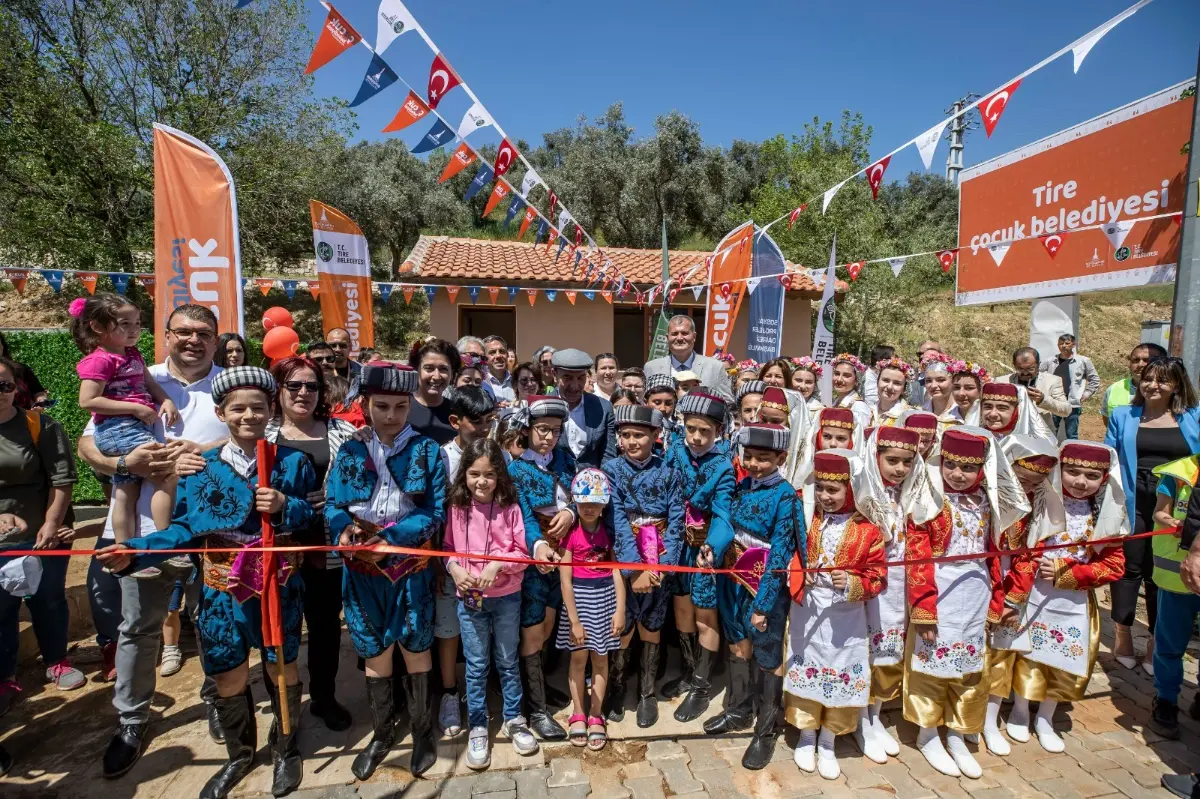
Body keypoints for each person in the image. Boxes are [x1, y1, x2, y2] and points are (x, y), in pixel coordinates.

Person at [97, 367, 317, 798]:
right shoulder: (200, 467)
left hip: (277, 588)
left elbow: (314, 518)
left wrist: (287, 505)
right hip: (219, 590)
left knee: (281, 665)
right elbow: (183, 529)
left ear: (272, 410)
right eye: (238, 408)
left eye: (258, 406)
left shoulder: (293, 462)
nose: (249, 415)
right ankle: (240, 754)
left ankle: (285, 748)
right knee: (228, 675)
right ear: (222, 412)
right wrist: (136, 548)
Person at [79, 303, 229, 779]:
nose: (193, 340)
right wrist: (127, 465)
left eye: (203, 333)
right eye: (183, 331)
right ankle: (132, 721)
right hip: (142, 534)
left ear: (216, 338)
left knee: (214, 621)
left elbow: (257, 434)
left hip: (213, 530)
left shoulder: (230, 382)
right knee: (138, 630)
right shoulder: (129, 371)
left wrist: (200, 451)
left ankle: (218, 700)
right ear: (164, 335)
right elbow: (87, 443)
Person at [325, 364, 447, 780]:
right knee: (374, 653)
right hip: (360, 570)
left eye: (399, 406)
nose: (391, 415)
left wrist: (390, 542)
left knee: (416, 648)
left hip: (408, 567)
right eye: (381, 406)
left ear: (410, 405)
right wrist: (343, 531)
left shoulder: (428, 451)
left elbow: (434, 512)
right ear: (365, 405)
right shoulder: (350, 450)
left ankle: (422, 731)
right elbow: (333, 505)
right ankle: (381, 733)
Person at [904, 427, 1028, 779]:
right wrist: (924, 607)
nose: (958, 474)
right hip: (938, 590)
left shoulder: (989, 503)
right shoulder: (929, 500)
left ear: (982, 470)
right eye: (951, 465)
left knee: (970, 666)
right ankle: (928, 733)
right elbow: (917, 555)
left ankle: (958, 731)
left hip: (975, 594)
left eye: (968, 468)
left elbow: (996, 557)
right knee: (930, 664)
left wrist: (1000, 597)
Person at [1007, 442, 1126, 754]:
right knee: (1028, 653)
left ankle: (1046, 715)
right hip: (1034, 594)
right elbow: (1019, 545)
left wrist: (1072, 574)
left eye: (1091, 475)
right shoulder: (1039, 504)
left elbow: (1114, 565)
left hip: (1073, 602)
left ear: (1104, 479)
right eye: (1072, 472)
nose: (1080, 481)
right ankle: (1020, 708)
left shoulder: (1105, 518)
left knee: (1062, 658)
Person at [265, 356, 357, 732]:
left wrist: (338, 498)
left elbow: (358, 481)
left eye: (312, 386)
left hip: (327, 545)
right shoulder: (262, 432)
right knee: (278, 629)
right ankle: (283, 704)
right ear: (278, 390)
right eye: (294, 385)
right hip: (280, 547)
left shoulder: (341, 432)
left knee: (324, 628)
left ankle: (323, 696)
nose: (304, 393)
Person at [785, 449, 887, 780]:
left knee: (841, 668)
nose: (826, 497)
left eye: (834, 490)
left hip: (847, 619)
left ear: (852, 490)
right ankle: (806, 733)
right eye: (821, 489)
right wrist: (801, 572)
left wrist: (854, 582)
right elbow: (789, 555)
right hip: (808, 613)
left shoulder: (869, 531)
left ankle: (829, 739)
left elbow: (879, 576)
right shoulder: (806, 519)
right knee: (807, 663)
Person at [705, 423, 801, 771]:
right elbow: (726, 524)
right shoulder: (741, 485)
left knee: (767, 653)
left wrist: (764, 603)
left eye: (764, 458)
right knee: (737, 644)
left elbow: (779, 554)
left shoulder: (786, 497)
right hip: (733, 579)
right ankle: (737, 711)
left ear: (781, 457)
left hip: (765, 588)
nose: (755, 464)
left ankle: (766, 728)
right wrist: (711, 550)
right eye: (749, 456)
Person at [443, 438, 538, 770]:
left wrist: (498, 564)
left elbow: (522, 553)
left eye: (488, 474)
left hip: (507, 598)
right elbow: (447, 549)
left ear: (499, 475)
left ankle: (514, 718)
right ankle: (479, 725)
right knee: (476, 664)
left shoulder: (510, 507)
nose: (481, 482)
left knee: (508, 660)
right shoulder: (456, 506)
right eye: (473, 474)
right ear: (463, 475)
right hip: (469, 601)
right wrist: (454, 568)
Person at [1105, 357, 1200, 676]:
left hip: (1175, 505)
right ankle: (1122, 633)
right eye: (1148, 378)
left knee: (1160, 573)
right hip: (1133, 501)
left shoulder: (1193, 417)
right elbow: (1110, 460)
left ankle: (1156, 641)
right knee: (1128, 567)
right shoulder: (1123, 415)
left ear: (1176, 386)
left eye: (1162, 380)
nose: (1153, 385)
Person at [71, 294, 180, 572]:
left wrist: (165, 399)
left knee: (124, 491)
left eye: (137, 323)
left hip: (130, 427)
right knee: (166, 474)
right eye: (124, 323)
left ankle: (127, 552)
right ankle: (166, 542)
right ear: (98, 327)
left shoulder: (131, 353)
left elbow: (148, 381)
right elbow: (88, 401)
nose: (134, 329)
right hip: (119, 429)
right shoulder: (99, 360)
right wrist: (134, 409)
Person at [0, 356, 81, 711]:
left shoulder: (40, 426)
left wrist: (51, 524)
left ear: (16, 388)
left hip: (42, 536)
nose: (0, 393)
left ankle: (56, 661)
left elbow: (62, 480)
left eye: (5, 385)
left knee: (48, 599)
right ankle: (5, 676)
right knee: (2, 608)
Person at [860, 426, 938, 762]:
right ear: (874, 457)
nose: (900, 469)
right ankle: (858, 718)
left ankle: (874, 715)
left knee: (888, 652)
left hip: (897, 588)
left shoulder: (914, 495)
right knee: (861, 652)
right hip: (865, 588)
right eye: (892, 460)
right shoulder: (861, 494)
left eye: (908, 462)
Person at [981, 435, 1062, 756]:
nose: (1026, 489)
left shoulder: (1036, 508)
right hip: (978, 581)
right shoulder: (984, 498)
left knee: (1002, 652)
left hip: (1011, 588)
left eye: (1036, 483)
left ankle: (989, 720)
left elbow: (1030, 554)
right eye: (1020, 480)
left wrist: (1013, 599)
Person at [603, 405, 684, 729]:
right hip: (627, 558)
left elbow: (676, 519)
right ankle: (617, 686)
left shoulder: (669, 471)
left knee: (652, 624)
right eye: (626, 435)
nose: (632, 441)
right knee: (623, 628)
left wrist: (662, 567)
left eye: (639, 434)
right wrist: (634, 569)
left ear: (655, 435)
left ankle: (647, 692)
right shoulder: (611, 469)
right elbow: (617, 519)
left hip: (659, 557)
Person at [508, 395, 577, 741]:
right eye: (542, 430)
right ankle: (533, 709)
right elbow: (520, 514)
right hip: (534, 560)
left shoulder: (566, 460)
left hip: (565, 557)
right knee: (532, 630)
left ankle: (538, 689)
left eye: (555, 430)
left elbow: (580, 494)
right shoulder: (516, 469)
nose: (548, 437)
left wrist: (571, 512)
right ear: (527, 429)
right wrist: (538, 546)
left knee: (549, 623)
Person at [663, 391, 735, 723]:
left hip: (704, 550)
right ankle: (690, 672)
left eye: (705, 431)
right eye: (691, 428)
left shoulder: (722, 466)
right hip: (676, 545)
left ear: (718, 431)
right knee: (682, 610)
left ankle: (702, 688)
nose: (696, 437)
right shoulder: (675, 451)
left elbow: (723, 514)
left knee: (705, 616)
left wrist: (713, 547)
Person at [437, 386, 499, 736]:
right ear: (455, 421)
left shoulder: (495, 454)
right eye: (476, 422)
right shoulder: (441, 458)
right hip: (452, 564)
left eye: (489, 421)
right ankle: (449, 692)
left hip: (490, 570)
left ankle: (487, 688)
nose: (483, 429)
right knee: (448, 631)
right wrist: (443, 564)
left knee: (487, 631)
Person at [556, 468, 624, 751]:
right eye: (583, 503)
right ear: (575, 502)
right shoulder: (571, 534)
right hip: (579, 603)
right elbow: (565, 578)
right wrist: (574, 620)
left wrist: (620, 609)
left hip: (605, 599)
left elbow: (618, 570)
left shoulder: (609, 532)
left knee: (600, 659)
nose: (589, 508)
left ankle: (596, 713)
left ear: (604, 504)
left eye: (595, 503)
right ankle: (578, 712)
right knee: (577, 660)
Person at [1148, 444, 1200, 740]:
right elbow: (1159, 513)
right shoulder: (1178, 473)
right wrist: (1174, 523)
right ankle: (1165, 700)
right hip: (1177, 576)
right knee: (1170, 645)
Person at [552, 348, 617, 469]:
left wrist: (603, 483)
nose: (575, 386)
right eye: (567, 378)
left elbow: (608, 457)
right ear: (554, 375)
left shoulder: (603, 408)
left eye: (581, 378)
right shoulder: (544, 406)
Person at [644, 316, 733, 399]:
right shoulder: (652, 368)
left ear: (694, 337)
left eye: (684, 333)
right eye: (674, 334)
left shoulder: (715, 367)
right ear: (667, 338)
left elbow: (728, 403)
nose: (679, 338)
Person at [1040, 333, 1100, 441]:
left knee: (1072, 435)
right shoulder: (1050, 361)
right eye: (1061, 343)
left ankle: (1071, 456)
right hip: (1053, 402)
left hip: (1072, 404)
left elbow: (1094, 379)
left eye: (1067, 343)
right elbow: (1037, 374)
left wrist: (1086, 394)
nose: (1063, 346)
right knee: (1050, 433)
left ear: (1073, 345)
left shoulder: (1083, 361)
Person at [996, 347, 1071, 432]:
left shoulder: (1052, 381)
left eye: (1030, 369)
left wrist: (1043, 399)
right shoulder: (1001, 381)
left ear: (1038, 365)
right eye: (1020, 369)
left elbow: (1066, 410)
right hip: (1010, 433)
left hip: (1041, 434)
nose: (1025, 373)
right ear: (1014, 365)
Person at [407, 338, 460, 445]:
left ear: (452, 374)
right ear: (417, 370)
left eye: (443, 369)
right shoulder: (402, 407)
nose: (436, 376)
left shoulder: (457, 412)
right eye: (429, 368)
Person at [1103, 342, 1168, 426]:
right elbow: (1108, 422)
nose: (1140, 364)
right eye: (1135, 360)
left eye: (1147, 360)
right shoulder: (1113, 389)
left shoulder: (1169, 391)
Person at [978, 382, 1056, 445]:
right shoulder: (974, 437)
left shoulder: (1034, 447)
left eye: (1002, 408)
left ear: (1017, 411)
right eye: (988, 407)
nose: (993, 414)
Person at [0, 331, 49, 410]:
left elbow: (38, 391)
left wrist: (40, 402)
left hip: (26, 419)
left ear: (2, 346)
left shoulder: (20, 368)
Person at [921, 352, 963, 434]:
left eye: (940, 380)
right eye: (928, 381)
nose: (933, 386)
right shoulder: (921, 412)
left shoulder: (961, 413)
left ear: (953, 381)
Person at [829, 354, 871, 430]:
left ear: (856, 381)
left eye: (846, 375)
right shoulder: (835, 402)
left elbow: (860, 437)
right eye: (837, 374)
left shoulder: (859, 406)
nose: (839, 379)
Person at [871, 357, 914, 428]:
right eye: (886, 380)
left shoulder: (908, 416)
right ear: (877, 382)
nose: (890, 387)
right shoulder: (869, 411)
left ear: (903, 388)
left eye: (897, 383)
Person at [643, 374, 679, 452]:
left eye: (668, 403)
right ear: (646, 402)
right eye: (657, 402)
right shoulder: (638, 430)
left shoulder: (679, 431)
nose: (663, 408)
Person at [325, 327, 363, 401]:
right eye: (333, 345)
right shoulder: (316, 371)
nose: (338, 349)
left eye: (342, 345)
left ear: (350, 347)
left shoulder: (362, 371)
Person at [909, 341, 944, 408]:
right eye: (919, 354)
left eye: (929, 352)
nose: (922, 356)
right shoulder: (912, 378)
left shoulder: (951, 378)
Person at [482, 335, 515, 403]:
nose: (498, 356)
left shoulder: (517, 381)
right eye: (492, 352)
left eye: (502, 351)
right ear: (484, 358)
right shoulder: (480, 384)